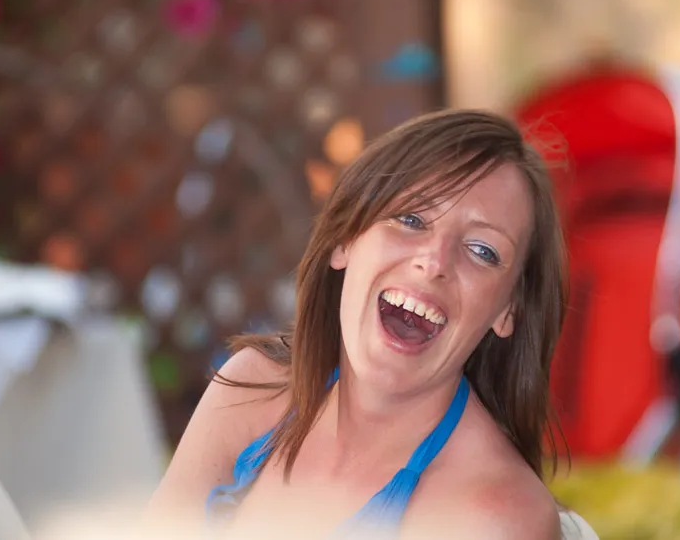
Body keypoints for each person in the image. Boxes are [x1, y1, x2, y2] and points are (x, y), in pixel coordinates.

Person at [146, 109, 596, 539]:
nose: (434, 262)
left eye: (482, 250)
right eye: (411, 218)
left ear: (507, 310)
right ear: (345, 240)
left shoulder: (496, 515)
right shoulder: (247, 393)